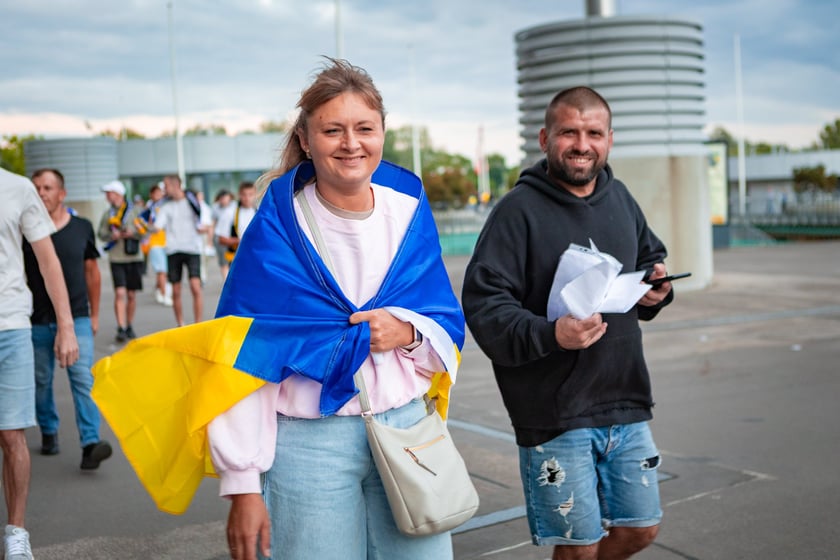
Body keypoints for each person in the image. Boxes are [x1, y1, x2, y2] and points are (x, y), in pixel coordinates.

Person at [205, 58, 465, 560]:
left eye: (365, 128)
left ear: (382, 132)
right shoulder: (277, 227)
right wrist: (242, 484)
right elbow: (243, 353)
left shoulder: (409, 207)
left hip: (407, 427)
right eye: (333, 130)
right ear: (306, 139)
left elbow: (444, 322)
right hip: (308, 447)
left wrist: (407, 331)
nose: (351, 144)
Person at [461, 86, 674, 560]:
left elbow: (649, 260)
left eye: (593, 133)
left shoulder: (620, 198)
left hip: (625, 402)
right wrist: (551, 334)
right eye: (569, 132)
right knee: (578, 548)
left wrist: (657, 287)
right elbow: (484, 304)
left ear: (609, 140)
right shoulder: (517, 212)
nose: (582, 144)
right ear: (544, 138)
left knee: (642, 529)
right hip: (554, 415)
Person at [0, 167, 79, 560]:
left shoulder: (17, 189)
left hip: (10, 325)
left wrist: (67, 326)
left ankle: (16, 533)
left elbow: (49, 263)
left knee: (12, 435)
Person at [25, 168, 113, 469]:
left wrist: (95, 314)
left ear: (62, 193)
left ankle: (90, 443)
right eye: (36, 187)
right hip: (35, 320)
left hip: (76, 319)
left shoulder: (82, 227)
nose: (41, 193)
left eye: (48, 187)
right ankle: (49, 431)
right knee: (41, 382)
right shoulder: (26, 230)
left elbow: (93, 272)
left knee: (83, 380)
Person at [153, 175, 212, 326]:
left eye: (166, 186)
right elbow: (157, 227)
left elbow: (206, 224)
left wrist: (204, 229)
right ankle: (180, 324)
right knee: (176, 290)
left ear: (175, 185)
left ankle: (198, 323)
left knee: (195, 286)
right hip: (173, 250)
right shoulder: (165, 206)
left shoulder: (194, 202)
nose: (164, 190)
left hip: (192, 248)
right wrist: (144, 223)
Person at [96, 180, 145, 342]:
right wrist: (112, 236)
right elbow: (101, 233)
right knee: (120, 292)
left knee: (131, 294)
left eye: (109, 193)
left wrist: (133, 233)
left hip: (134, 257)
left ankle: (129, 324)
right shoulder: (107, 213)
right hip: (116, 258)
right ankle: (121, 327)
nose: (107, 196)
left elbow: (146, 231)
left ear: (117, 194)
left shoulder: (135, 211)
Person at [139, 182, 172, 306]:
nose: (159, 195)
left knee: (164, 271)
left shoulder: (167, 205)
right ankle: (165, 294)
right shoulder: (150, 209)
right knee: (162, 271)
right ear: (151, 195)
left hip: (168, 242)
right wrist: (148, 229)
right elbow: (140, 222)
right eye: (156, 193)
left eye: (161, 192)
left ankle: (159, 289)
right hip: (155, 242)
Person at [215, 181, 257, 267]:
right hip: (237, 259)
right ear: (239, 195)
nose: (247, 198)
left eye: (250, 194)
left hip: (255, 257)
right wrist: (239, 241)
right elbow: (221, 239)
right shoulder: (230, 212)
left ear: (255, 195)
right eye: (244, 195)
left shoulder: (259, 211)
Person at [210, 189, 235, 280]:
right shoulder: (216, 208)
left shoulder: (235, 206)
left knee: (233, 260)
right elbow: (213, 223)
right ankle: (226, 280)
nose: (223, 200)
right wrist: (210, 240)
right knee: (223, 261)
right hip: (220, 237)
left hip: (232, 237)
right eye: (221, 198)